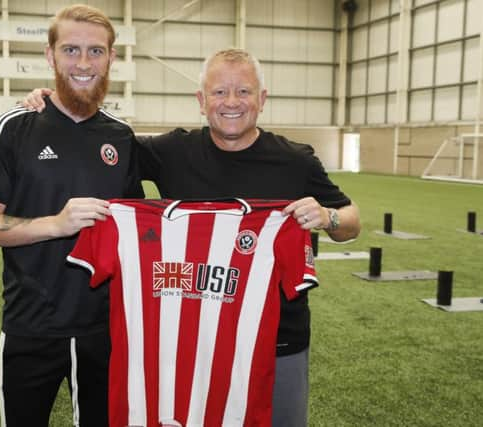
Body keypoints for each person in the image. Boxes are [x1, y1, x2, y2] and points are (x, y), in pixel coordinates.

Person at [23, 48, 360, 426]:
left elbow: (351, 221)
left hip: (277, 341)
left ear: (262, 100)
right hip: (187, 340)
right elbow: (103, 141)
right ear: (201, 102)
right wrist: (63, 104)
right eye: (219, 92)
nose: (231, 102)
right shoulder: (172, 151)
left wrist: (328, 216)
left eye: (244, 92)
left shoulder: (296, 160)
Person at [0, 4, 144, 427]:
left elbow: (136, 224)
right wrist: (56, 224)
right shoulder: (15, 126)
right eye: (70, 50)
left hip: (102, 328)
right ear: (50, 56)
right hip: (31, 325)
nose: (83, 63)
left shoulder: (120, 136)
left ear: (111, 59)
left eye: (95, 52)